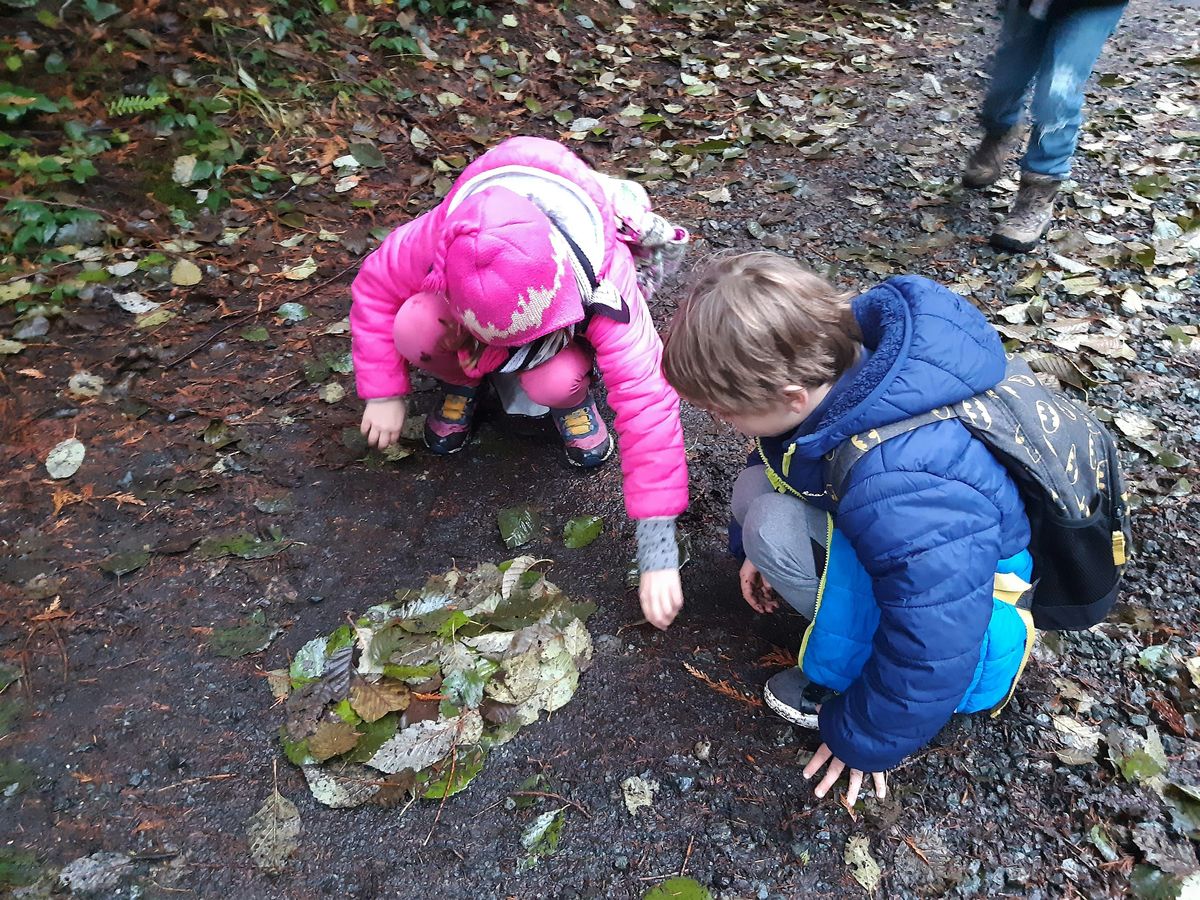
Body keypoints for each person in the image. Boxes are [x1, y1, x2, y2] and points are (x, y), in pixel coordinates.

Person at [662, 252, 1035, 805]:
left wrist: (865, 737)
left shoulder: (900, 482)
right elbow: (785, 457)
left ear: (791, 397)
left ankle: (848, 673)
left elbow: (937, 635)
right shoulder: (844, 366)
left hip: (981, 620)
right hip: (920, 552)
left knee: (769, 523)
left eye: (724, 413)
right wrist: (751, 553)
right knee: (753, 498)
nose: (720, 424)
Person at [350, 136, 690, 630]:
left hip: (558, 345)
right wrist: (384, 390)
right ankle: (464, 377)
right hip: (469, 322)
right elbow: (376, 287)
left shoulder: (602, 273)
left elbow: (647, 400)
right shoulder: (442, 233)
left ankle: (569, 397)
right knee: (415, 325)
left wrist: (657, 546)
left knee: (554, 376)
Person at [964, 0, 1129, 252]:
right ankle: (999, 131)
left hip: (1094, 5)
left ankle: (1037, 193)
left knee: (1058, 90)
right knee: (1007, 81)